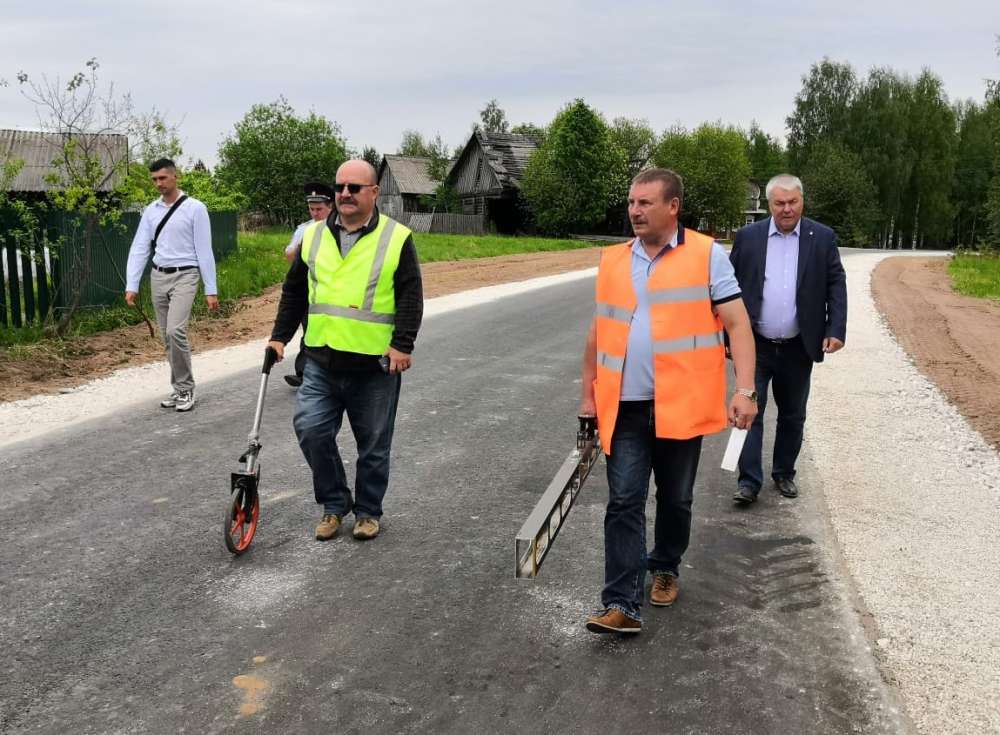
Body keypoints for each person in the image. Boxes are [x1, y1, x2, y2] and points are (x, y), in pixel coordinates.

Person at [579, 168, 758, 635]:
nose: (635, 211)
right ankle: (621, 602)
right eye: (632, 202)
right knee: (624, 501)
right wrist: (587, 395)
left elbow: (737, 324)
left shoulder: (706, 255)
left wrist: (746, 389)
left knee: (676, 499)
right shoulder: (614, 260)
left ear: (672, 206)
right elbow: (599, 332)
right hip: (626, 406)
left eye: (645, 203)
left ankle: (665, 565)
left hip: (682, 403)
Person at [267, 160, 423, 542]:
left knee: (373, 444)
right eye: (340, 187)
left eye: (355, 187)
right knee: (310, 430)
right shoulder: (315, 237)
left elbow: (410, 294)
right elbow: (295, 292)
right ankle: (335, 503)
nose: (345, 194)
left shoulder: (396, 237)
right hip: (321, 358)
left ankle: (368, 511)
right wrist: (279, 336)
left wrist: (402, 343)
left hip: (374, 364)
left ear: (374, 193)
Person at [729, 174, 847, 505]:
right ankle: (749, 481)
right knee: (749, 409)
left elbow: (836, 283)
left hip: (799, 345)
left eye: (792, 202)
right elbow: (728, 288)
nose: (786, 209)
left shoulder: (821, 238)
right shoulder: (749, 237)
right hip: (755, 345)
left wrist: (835, 328)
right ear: (769, 205)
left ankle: (784, 473)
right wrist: (724, 335)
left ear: (802, 202)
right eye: (779, 203)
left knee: (793, 413)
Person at [125, 158, 218, 412]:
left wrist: (211, 289)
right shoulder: (151, 211)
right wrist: (131, 284)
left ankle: (187, 388)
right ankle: (178, 389)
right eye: (154, 179)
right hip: (158, 276)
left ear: (175, 177)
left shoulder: (195, 208)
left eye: (163, 178)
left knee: (175, 331)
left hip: (186, 274)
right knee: (167, 337)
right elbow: (140, 247)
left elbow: (204, 249)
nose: (158, 183)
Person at [282, 182, 335, 388]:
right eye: (311, 209)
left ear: (330, 207)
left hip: (328, 288)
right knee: (309, 329)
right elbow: (289, 254)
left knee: (320, 329)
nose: (315, 213)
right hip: (306, 288)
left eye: (319, 209)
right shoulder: (304, 229)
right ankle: (304, 372)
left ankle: (317, 371)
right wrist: (303, 244)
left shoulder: (337, 228)